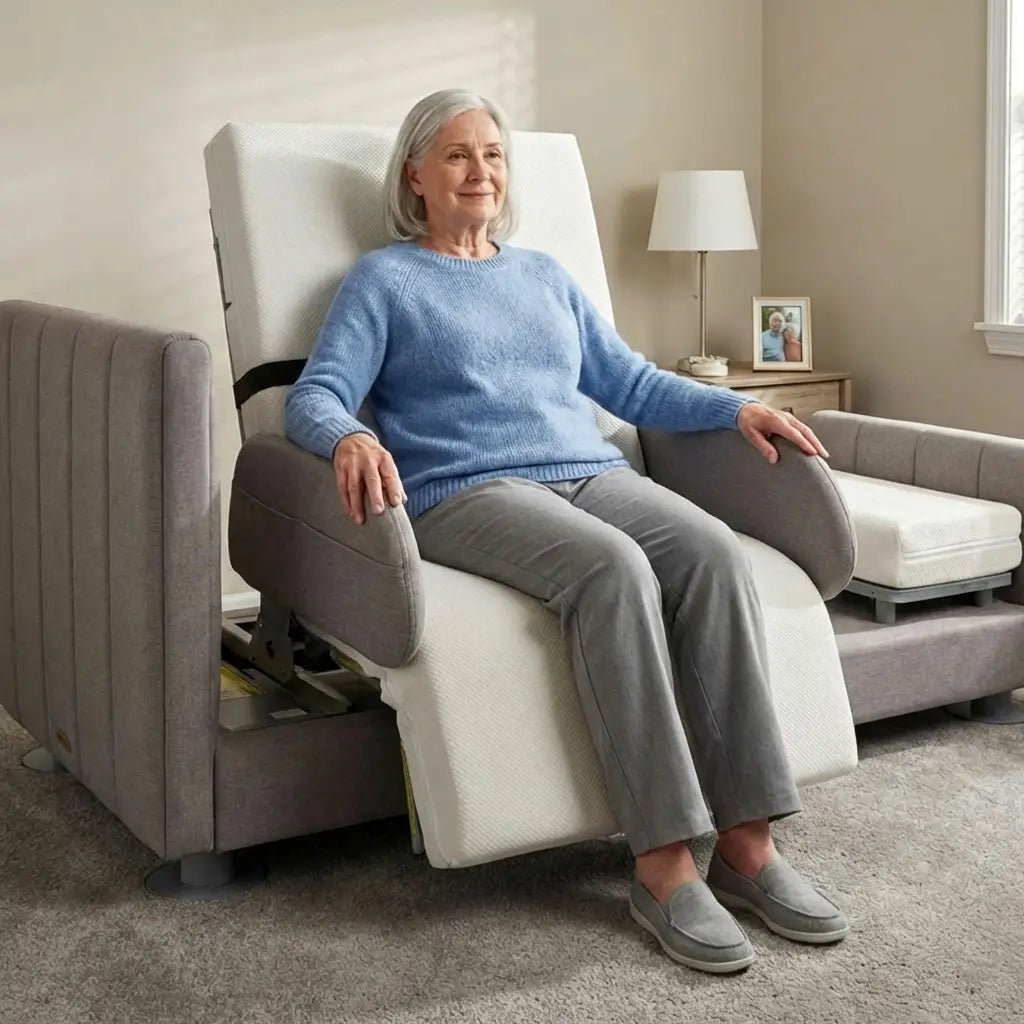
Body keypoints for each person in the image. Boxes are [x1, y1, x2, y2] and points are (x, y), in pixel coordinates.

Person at [285, 88, 848, 975]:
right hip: (467, 489)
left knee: (710, 551)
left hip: (590, 470)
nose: (481, 170)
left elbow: (630, 384)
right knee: (612, 570)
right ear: (416, 176)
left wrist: (737, 409)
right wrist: (349, 435)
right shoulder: (384, 281)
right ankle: (662, 863)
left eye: (493, 154)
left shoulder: (544, 276)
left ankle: (747, 846)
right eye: (458, 154)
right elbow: (314, 395)